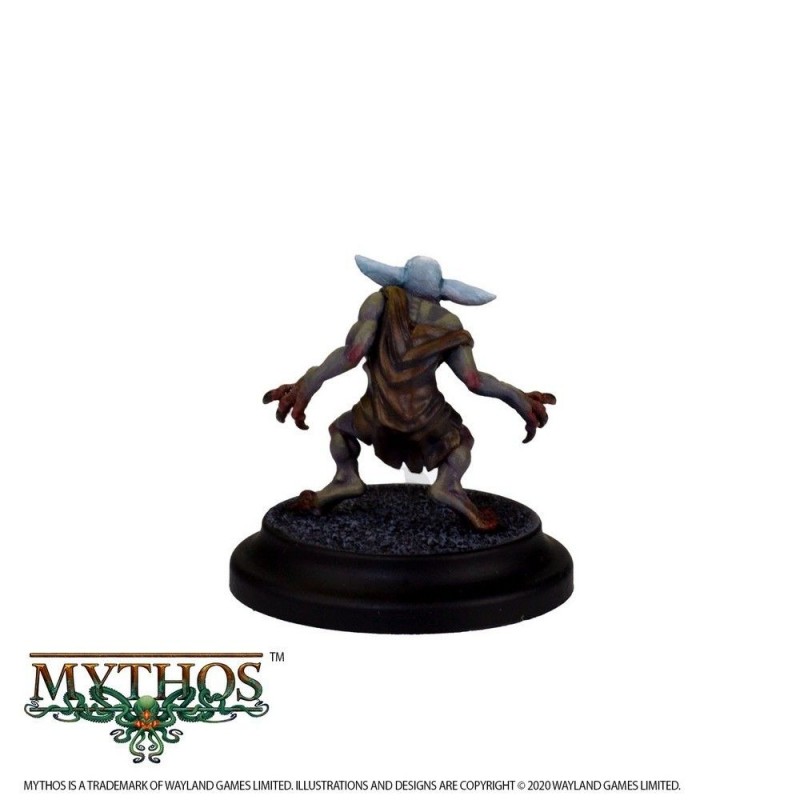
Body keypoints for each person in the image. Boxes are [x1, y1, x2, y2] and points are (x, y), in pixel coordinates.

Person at [264, 255, 555, 530]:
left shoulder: (380, 300)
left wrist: (308, 384)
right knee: (461, 442)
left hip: (377, 414)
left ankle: (345, 477)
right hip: (427, 419)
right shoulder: (449, 323)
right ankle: (449, 484)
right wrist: (517, 397)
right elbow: (474, 380)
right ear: (441, 292)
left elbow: (352, 353)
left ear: (401, 280)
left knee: (341, 431)